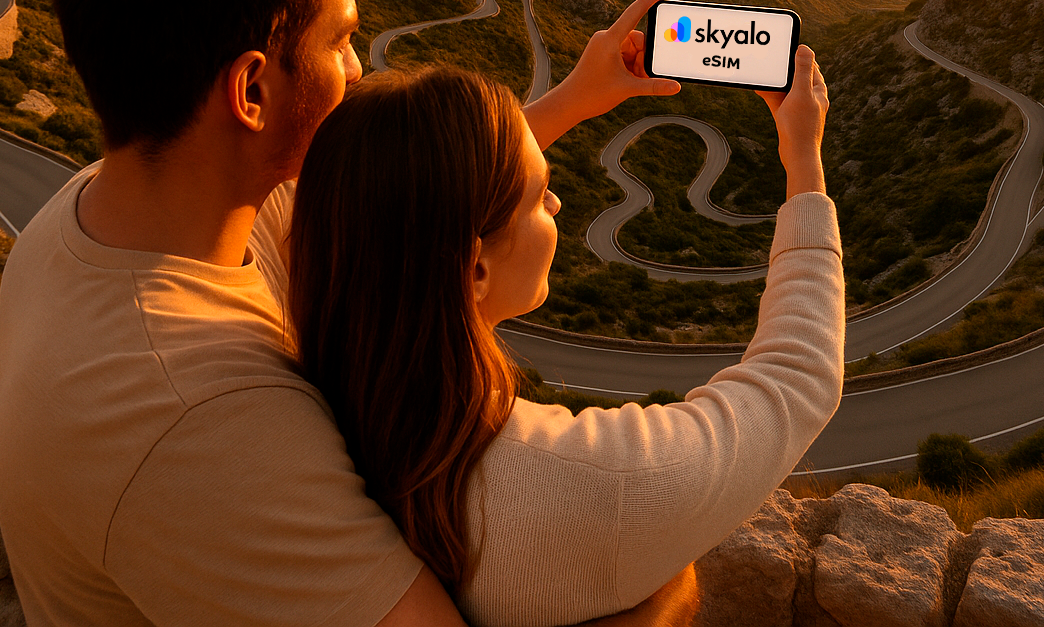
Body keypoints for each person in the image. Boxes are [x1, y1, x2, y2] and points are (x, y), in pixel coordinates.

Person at [0, 0, 679, 626]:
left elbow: (404, 195)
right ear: (252, 92)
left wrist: (576, 99)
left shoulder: (110, 208)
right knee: (656, 586)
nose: (357, 69)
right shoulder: (199, 422)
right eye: (342, 40)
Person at [287, 50, 842, 627]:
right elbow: (797, 379)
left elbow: (405, 194)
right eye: (539, 194)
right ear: (473, 271)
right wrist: (802, 159)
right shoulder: (600, 482)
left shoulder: (314, 390)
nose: (556, 202)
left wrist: (576, 97)